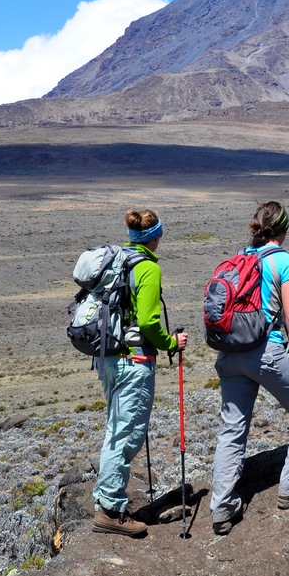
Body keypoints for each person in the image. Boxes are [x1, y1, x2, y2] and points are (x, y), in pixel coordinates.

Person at [210, 201, 289, 535]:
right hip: (266, 352)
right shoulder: (283, 261)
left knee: (232, 429)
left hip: (230, 354)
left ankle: (221, 508)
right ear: (284, 229)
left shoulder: (241, 257)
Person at [92, 209, 189, 537]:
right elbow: (148, 322)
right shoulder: (147, 268)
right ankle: (110, 511)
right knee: (126, 435)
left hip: (108, 359)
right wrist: (171, 342)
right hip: (133, 362)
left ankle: (107, 504)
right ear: (156, 236)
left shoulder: (118, 261)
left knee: (116, 429)